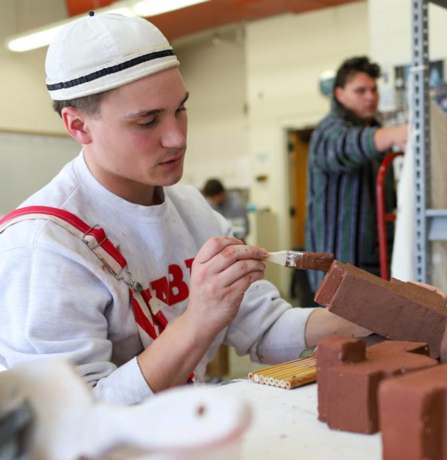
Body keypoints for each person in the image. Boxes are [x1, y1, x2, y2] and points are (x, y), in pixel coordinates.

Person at [0, 13, 371, 405]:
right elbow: (75, 415)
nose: (177, 138)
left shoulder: (191, 209)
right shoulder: (44, 247)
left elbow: (264, 327)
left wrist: (372, 317)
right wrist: (199, 320)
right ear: (78, 126)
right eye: (147, 121)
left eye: (180, 109)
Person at [305, 56, 408, 291]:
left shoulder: (373, 131)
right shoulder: (327, 131)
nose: (370, 97)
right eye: (360, 91)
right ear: (339, 94)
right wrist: (392, 135)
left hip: (374, 262)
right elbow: (347, 146)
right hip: (337, 270)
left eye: (374, 89)